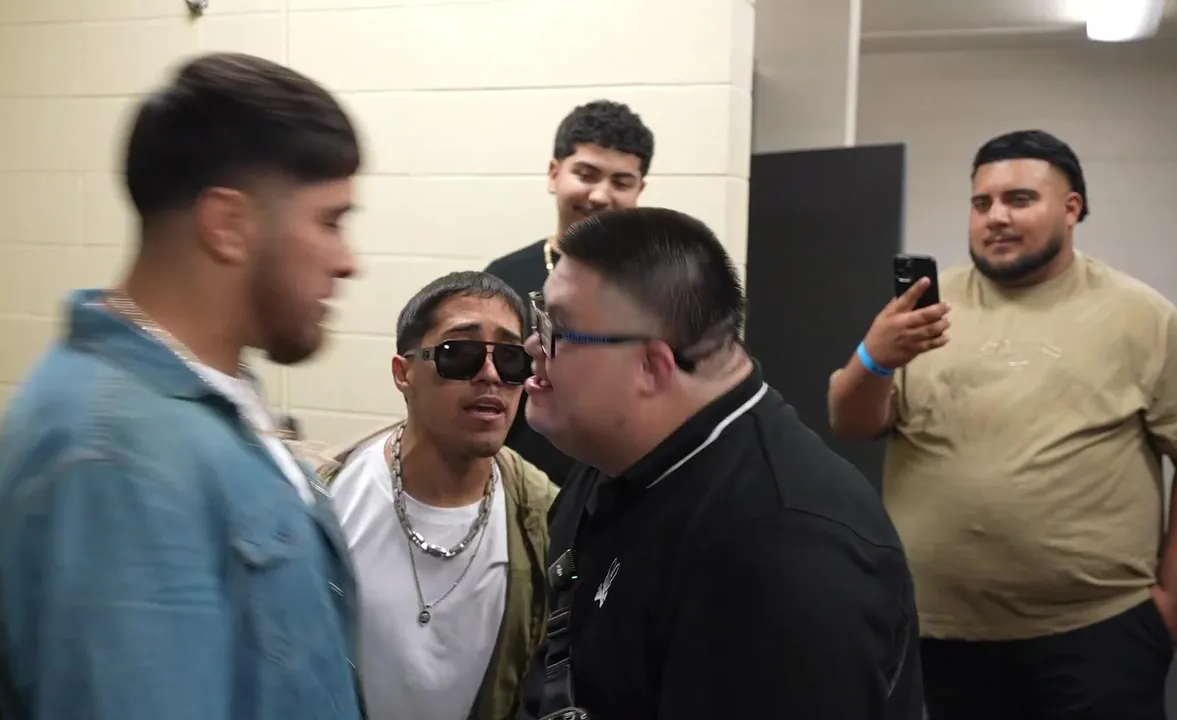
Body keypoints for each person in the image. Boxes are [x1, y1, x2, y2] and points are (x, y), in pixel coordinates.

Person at [0, 52, 365, 720]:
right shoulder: (110, 460)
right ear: (228, 226)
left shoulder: (203, 399)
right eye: (329, 221)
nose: (347, 261)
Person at [828, 129, 1177, 719]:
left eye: (1020, 200)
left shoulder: (1141, 316)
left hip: (1099, 633)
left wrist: (1172, 607)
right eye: (981, 203)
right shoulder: (927, 309)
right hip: (941, 633)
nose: (996, 217)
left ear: (1071, 208)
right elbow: (849, 423)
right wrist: (874, 357)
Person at [515, 207, 924, 719]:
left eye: (558, 329)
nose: (532, 345)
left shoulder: (789, 559)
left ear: (651, 366)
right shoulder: (616, 458)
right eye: (540, 315)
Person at [319, 271, 558, 720]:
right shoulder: (329, 500)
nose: (490, 375)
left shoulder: (546, 518)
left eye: (511, 359)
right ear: (403, 372)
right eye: (460, 353)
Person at [484, 100, 655, 486]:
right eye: (586, 174)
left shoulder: (659, 287)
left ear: (639, 190)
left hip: (627, 492)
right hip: (520, 491)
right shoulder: (503, 280)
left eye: (621, 182)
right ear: (554, 173)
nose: (600, 195)